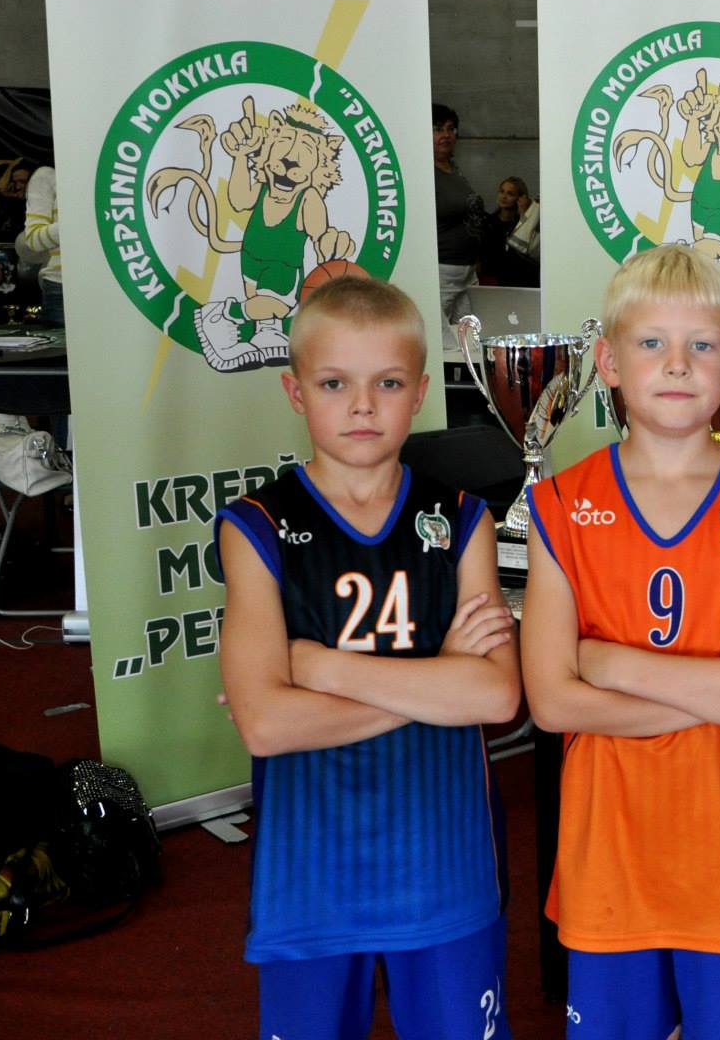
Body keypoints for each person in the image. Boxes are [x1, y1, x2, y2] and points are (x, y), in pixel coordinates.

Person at [520, 244, 720, 1039]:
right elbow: (553, 703)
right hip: (609, 851)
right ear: (609, 362)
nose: (677, 364)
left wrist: (610, 664)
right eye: (652, 342)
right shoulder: (560, 506)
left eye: (701, 345)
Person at [215, 276, 521, 1039]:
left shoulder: (461, 520)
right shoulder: (255, 526)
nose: (362, 406)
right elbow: (266, 724)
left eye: (386, 383)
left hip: (444, 868)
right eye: (334, 383)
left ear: (420, 392)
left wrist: (320, 669)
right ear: (295, 391)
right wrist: (436, 680)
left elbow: (494, 698)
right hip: (309, 880)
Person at [432, 102, 485, 338]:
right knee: (440, 338)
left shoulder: (454, 169)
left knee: (471, 337)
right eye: (438, 129)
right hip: (443, 271)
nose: (446, 135)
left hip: (468, 272)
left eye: (450, 129)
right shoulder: (424, 172)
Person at [21, 163, 63, 325]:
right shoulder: (46, 175)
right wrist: (80, 221)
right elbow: (33, 239)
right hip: (62, 284)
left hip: (114, 281)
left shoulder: (116, 173)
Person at [479, 175, 538, 288]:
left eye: (510, 194)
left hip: (520, 282)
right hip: (493, 282)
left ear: (520, 198)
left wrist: (524, 215)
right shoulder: (488, 222)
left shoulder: (522, 224)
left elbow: (528, 254)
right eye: (502, 192)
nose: (504, 197)